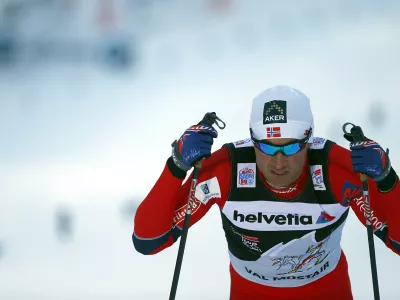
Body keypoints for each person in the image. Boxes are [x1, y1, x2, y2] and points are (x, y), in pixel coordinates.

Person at [132, 85, 400, 299]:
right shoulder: (227, 171)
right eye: (267, 148)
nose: (279, 162)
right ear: (252, 140)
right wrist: (176, 166)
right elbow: (148, 240)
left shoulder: (337, 170)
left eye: (292, 147)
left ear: (309, 141)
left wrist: (388, 180)